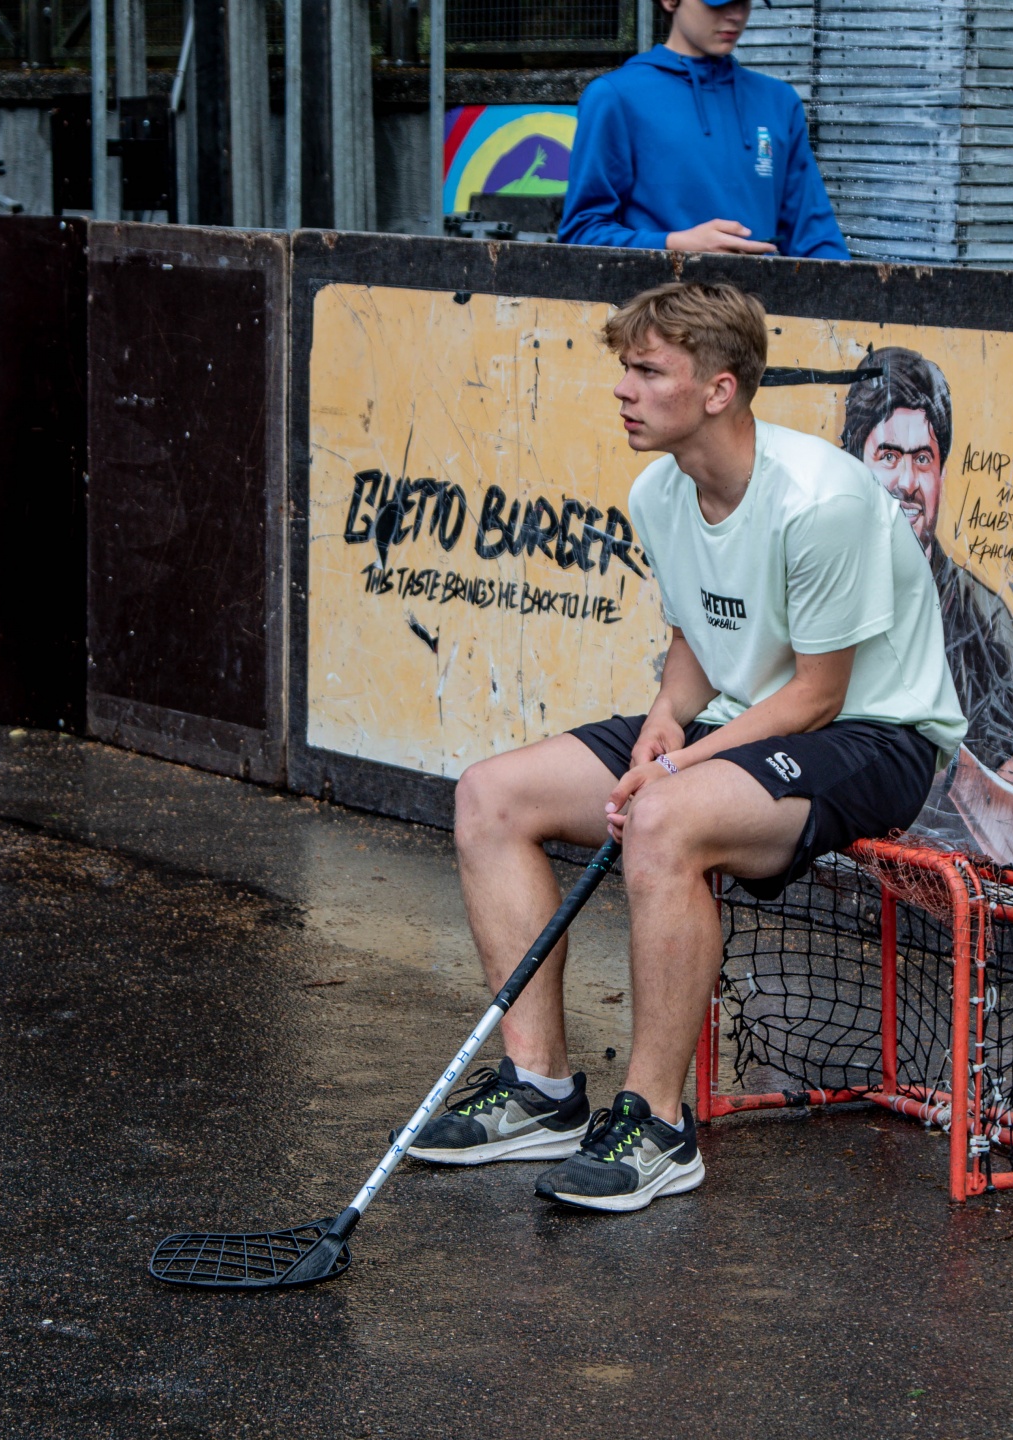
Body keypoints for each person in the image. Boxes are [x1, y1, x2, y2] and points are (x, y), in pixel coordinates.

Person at [408, 282, 961, 1211]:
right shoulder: (658, 491)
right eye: (625, 369)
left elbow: (819, 695)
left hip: (875, 734)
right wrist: (668, 716)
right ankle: (539, 1092)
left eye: (648, 371)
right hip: (739, 717)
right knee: (491, 795)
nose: (623, 390)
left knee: (662, 819)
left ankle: (658, 1126)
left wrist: (681, 764)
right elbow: (700, 638)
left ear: (719, 389)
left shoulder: (822, 498)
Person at [841, 347, 1013, 879]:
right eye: (888, 456)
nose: (907, 482)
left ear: (941, 472)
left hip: (943, 896)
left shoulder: (981, 620)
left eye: (923, 459)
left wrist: (941, 756)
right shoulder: (814, 580)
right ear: (852, 464)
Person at [559, 0, 849, 258]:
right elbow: (581, 235)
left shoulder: (778, 102)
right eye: (718, 2)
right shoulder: (616, 97)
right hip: (661, 301)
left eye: (743, 2)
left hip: (758, 302)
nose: (735, 15)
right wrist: (674, 246)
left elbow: (815, 239)